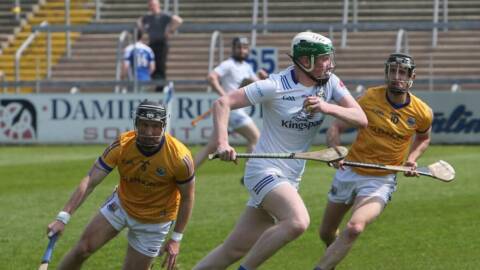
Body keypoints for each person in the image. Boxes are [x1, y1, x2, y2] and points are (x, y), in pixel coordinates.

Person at [194, 31, 368, 270]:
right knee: (297, 222)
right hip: (263, 170)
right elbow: (222, 103)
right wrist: (223, 143)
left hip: (290, 177)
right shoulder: (274, 85)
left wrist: (327, 107)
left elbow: (361, 118)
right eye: (322, 58)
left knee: (234, 249)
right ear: (305, 60)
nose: (328, 63)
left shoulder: (331, 83)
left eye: (328, 57)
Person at [314, 53, 433, 270]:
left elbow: (424, 138)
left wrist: (411, 159)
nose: (397, 76)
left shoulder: (422, 112)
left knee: (354, 227)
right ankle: (332, 257)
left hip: (380, 180)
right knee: (326, 232)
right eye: (393, 71)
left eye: (402, 72)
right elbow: (336, 127)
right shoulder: (369, 98)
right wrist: (336, 151)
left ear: (412, 76)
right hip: (349, 171)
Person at [46, 100, 195, 270]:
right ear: (136, 123)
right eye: (144, 125)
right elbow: (90, 181)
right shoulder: (123, 144)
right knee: (82, 249)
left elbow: (188, 197)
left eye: (155, 126)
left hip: (155, 221)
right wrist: (63, 217)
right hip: (121, 206)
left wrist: (176, 238)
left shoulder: (179, 157)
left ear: (163, 126)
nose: (148, 131)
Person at [194, 36, 267, 168]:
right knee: (255, 138)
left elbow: (255, 83)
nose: (242, 51)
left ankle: (184, 174)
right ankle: (250, 175)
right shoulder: (228, 64)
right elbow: (211, 77)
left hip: (233, 111)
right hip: (233, 111)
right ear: (233, 49)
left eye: (245, 48)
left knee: (211, 147)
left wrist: (262, 78)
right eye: (239, 47)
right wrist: (225, 98)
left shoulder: (246, 66)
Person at [137, 0, 183, 92]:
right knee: (152, 65)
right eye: (150, 5)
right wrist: (143, 30)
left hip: (162, 43)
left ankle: (160, 87)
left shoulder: (164, 15)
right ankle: (155, 84)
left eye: (153, 5)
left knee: (160, 65)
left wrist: (170, 30)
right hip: (152, 43)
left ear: (158, 5)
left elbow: (178, 20)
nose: (151, 7)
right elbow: (139, 21)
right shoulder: (148, 17)